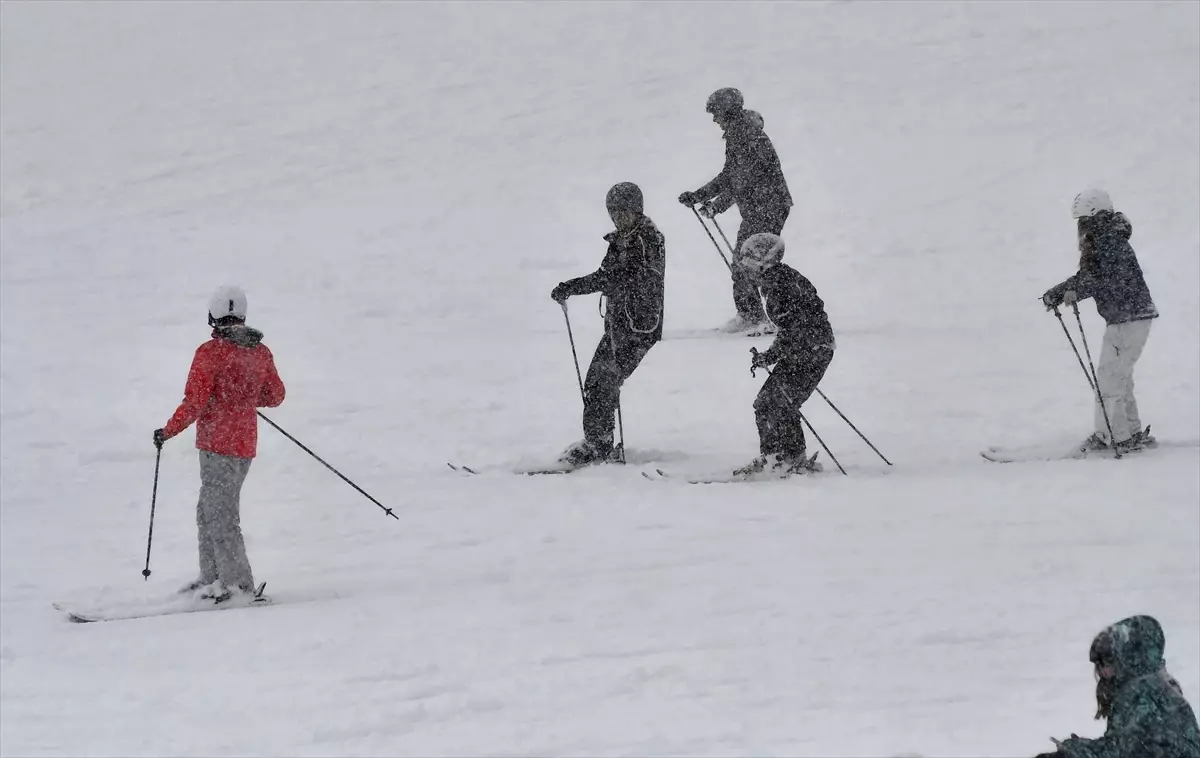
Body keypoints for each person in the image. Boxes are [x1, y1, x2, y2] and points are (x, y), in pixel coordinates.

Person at [154, 285, 286, 602]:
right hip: (243, 445)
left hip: (217, 445)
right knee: (208, 511)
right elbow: (275, 396)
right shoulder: (260, 351)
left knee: (221, 514)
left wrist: (167, 431)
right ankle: (212, 577)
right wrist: (244, 395)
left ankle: (238, 585)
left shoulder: (210, 353)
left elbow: (195, 401)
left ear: (213, 316)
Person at [550, 183, 666, 467]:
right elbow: (606, 275)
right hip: (618, 324)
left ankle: (599, 444)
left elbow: (626, 277)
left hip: (639, 327)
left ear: (636, 210)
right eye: (612, 212)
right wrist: (573, 286)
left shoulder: (647, 239)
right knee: (597, 382)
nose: (617, 217)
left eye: (622, 211)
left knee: (605, 381)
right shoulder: (620, 240)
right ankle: (597, 441)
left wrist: (577, 287)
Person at [1042, 189, 1158, 453]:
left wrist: (1061, 293)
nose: (1080, 229)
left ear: (1094, 217)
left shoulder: (1107, 240)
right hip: (1131, 317)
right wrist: (1063, 291)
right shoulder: (1110, 238)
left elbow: (1094, 279)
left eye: (1083, 221)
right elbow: (1094, 277)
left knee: (1108, 380)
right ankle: (1131, 432)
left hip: (1127, 319)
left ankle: (1112, 438)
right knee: (1120, 378)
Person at [679, 87, 793, 334]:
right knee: (749, 261)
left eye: (716, 113)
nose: (714, 119)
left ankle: (764, 317)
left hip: (768, 207)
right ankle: (753, 315)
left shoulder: (750, 137)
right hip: (760, 207)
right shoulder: (738, 135)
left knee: (751, 261)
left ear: (727, 111)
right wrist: (698, 196)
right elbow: (730, 176)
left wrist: (716, 205)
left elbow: (744, 180)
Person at [734, 233, 834, 478]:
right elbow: (793, 329)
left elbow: (795, 329)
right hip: (808, 349)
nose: (745, 268)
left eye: (748, 262)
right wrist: (772, 355)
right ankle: (785, 457)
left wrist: (772, 356)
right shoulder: (778, 280)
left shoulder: (780, 286)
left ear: (762, 262)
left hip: (811, 352)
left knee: (774, 403)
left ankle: (781, 459)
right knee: (775, 403)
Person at [1035, 615, 1200, 758]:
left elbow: (1119, 751)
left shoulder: (1141, 691)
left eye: (1107, 661)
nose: (1103, 670)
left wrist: (1072, 752)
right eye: (1099, 664)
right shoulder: (1161, 683)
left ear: (1126, 657)